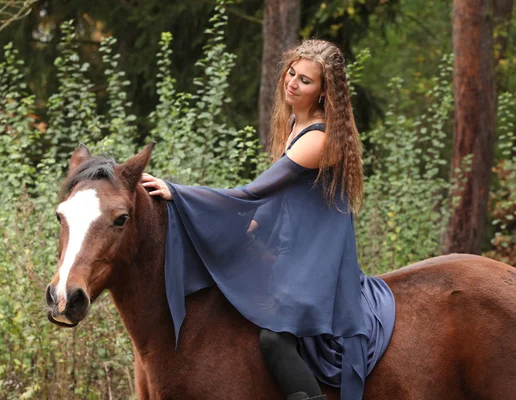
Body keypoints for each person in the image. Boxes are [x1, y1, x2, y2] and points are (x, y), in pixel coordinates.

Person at [141, 39, 395, 400]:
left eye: (306, 80)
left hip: (317, 256)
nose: (292, 82)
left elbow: (253, 193)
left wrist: (178, 192)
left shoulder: (318, 138)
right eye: (291, 73)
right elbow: (279, 203)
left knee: (274, 340)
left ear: (324, 92)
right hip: (295, 248)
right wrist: (240, 232)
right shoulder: (294, 123)